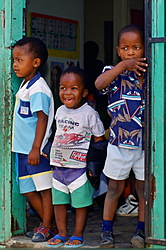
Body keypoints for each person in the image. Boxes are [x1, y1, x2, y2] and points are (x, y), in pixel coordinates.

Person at [95, 24, 148, 248]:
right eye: (125, 48)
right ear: (118, 51)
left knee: (143, 189)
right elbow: (99, 85)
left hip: (145, 144)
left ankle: (142, 231)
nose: (131, 52)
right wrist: (121, 66)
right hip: (119, 142)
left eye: (136, 47)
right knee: (115, 188)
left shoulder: (149, 70)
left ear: (145, 49)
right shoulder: (112, 71)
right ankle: (106, 231)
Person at [46, 67, 105, 248]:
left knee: (80, 204)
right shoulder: (59, 111)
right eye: (63, 88)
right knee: (59, 202)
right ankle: (62, 233)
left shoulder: (90, 114)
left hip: (78, 169)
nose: (67, 92)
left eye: (74, 88)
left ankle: (78, 234)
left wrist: (92, 166)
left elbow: (99, 141)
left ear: (84, 92)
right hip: (59, 167)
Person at [11, 37, 55, 242]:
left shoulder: (39, 88)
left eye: (20, 60)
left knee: (44, 189)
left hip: (35, 150)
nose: (15, 64)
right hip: (22, 149)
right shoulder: (25, 84)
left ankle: (47, 225)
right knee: (28, 190)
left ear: (36, 62)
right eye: (14, 60)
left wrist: (36, 147)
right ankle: (49, 224)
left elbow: (42, 118)